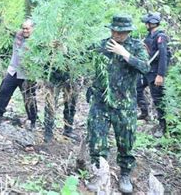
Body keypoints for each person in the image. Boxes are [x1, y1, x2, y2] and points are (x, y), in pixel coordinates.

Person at [86, 15, 149, 194]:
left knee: (126, 142)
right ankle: (99, 174)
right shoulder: (102, 44)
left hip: (125, 104)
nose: (116, 34)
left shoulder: (136, 46)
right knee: (97, 140)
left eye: (120, 32)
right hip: (101, 102)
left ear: (128, 31)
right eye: (114, 30)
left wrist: (125, 54)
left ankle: (125, 175)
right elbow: (83, 57)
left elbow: (145, 68)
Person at [0, 19, 38, 130]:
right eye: (23, 28)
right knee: (4, 90)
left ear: (33, 29)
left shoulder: (38, 41)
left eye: (27, 29)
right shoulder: (18, 35)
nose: (25, 31)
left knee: (29, 98)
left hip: (28, 75)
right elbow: (6, 27)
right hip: (13, 71)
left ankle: (33, 121)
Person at [136, 12, 170, 138]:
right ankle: (145, 113)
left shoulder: (161, 36)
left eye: (147, 22)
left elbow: (163, 56)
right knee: (137, 88)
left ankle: (162, 126)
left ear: (152, 23)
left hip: (155, 72)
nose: (145, 24)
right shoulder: (149, 35)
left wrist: (160, 74)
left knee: (158, 99)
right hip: (146, 70)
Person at [43, 68, 79, 142]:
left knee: (71, 104)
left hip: (73, 72)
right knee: (50, 104)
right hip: (54, 73)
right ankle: (48, 132)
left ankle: (68, 130)